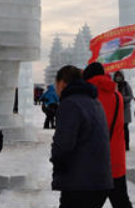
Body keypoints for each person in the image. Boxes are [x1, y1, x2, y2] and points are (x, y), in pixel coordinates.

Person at [51, 65, 112, 208]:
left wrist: (56, 158)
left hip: (80, 184)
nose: (56, 89)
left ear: (62, 83)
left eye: (56, 84)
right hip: (99, 182)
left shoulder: (70, 104)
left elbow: (64, 145)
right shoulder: (94, 101)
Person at [84, 63, 133, 208]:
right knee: (121, 202)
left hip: (95, 163)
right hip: (117, 161)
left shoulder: (87, 98)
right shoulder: (117, 96)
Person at [113, 71, 133, 151]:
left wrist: (121, 98)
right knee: (117, 129)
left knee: (125, 128)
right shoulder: (113, 85)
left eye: (119, 76)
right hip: (115, 110)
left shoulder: (125, 84)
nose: (118, 78)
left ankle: (126, 144)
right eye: (117, 76)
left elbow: (131, 96)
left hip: (125, 110)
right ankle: (118, 144)